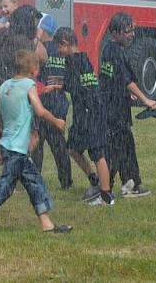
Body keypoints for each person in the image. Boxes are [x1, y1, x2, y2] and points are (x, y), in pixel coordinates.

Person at [0, 49, 72, 234]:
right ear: (34, 70)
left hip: (8, 146)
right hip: (17, 151)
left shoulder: (6, 85)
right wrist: (57, 121)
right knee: (4, 189)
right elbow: (40, 111)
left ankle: (47, 225)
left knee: (35, 183)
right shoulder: (29, 85)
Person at [0, 4, 47, 193]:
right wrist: (37, 37)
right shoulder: (26, 43)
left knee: (16, 140)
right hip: (20, 95)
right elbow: (43, 57)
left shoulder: (0, 38)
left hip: (3, 92)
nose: (36, 24)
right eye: (34, 22)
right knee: (28, 140)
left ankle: (12, 177)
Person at [99, 12, 156, 198]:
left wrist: (127, 94)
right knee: (120, 149)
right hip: (115, 110)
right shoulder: (117, 52)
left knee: (122, 147)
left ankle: (127, 183)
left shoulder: (107, 49)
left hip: (111, 106)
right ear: (115, 33)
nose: (131, 35)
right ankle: (106, 188)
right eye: (127, 32)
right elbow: (126, 80)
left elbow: (111, 78)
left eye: (133, 31)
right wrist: (145, 99)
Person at [54, 27, 113, 205]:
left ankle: (106, 197)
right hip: (88, 110)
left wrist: (57, 87)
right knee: (72, 148)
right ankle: (95, 181)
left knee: (97, 153)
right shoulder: (83, 57)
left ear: (64, 43)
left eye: (59, 48)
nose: (58, 52)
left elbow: (72, 85)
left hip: (89, 111)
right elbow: (78, 83)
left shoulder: (71, 60)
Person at [29, 13, 72, 190]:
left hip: (44, 102)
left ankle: (36, 180)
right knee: (59, 145)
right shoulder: (61, 49)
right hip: (59, 102)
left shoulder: (40, 48)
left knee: (38, 145)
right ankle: (66, 182)